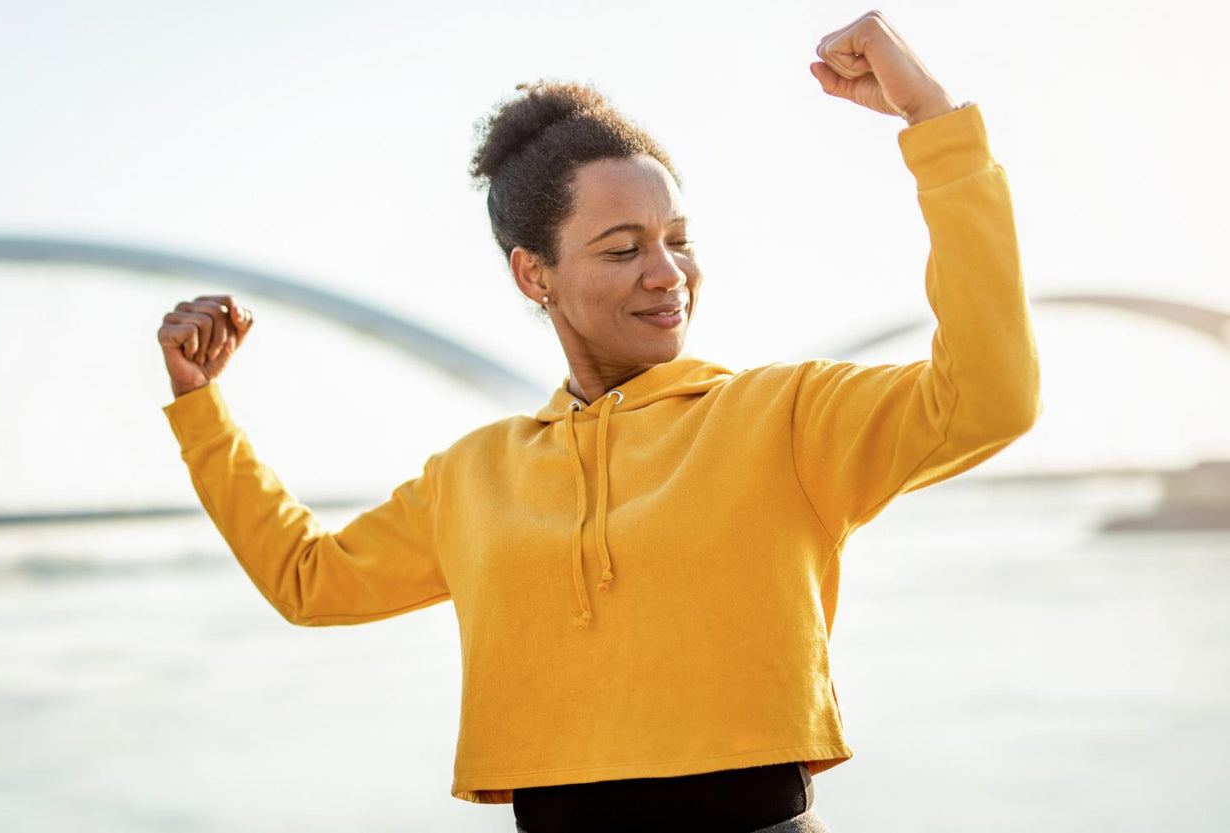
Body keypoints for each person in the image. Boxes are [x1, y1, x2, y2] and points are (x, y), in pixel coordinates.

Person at [154, 10, 1041, 832]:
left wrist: (934, 125)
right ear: (533, 276)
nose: (669, 272)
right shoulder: (476, 473)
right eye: (623, 248)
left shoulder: (785, 417)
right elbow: (310, 582)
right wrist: (202, 409)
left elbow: (991, 398)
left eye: (678, 238)